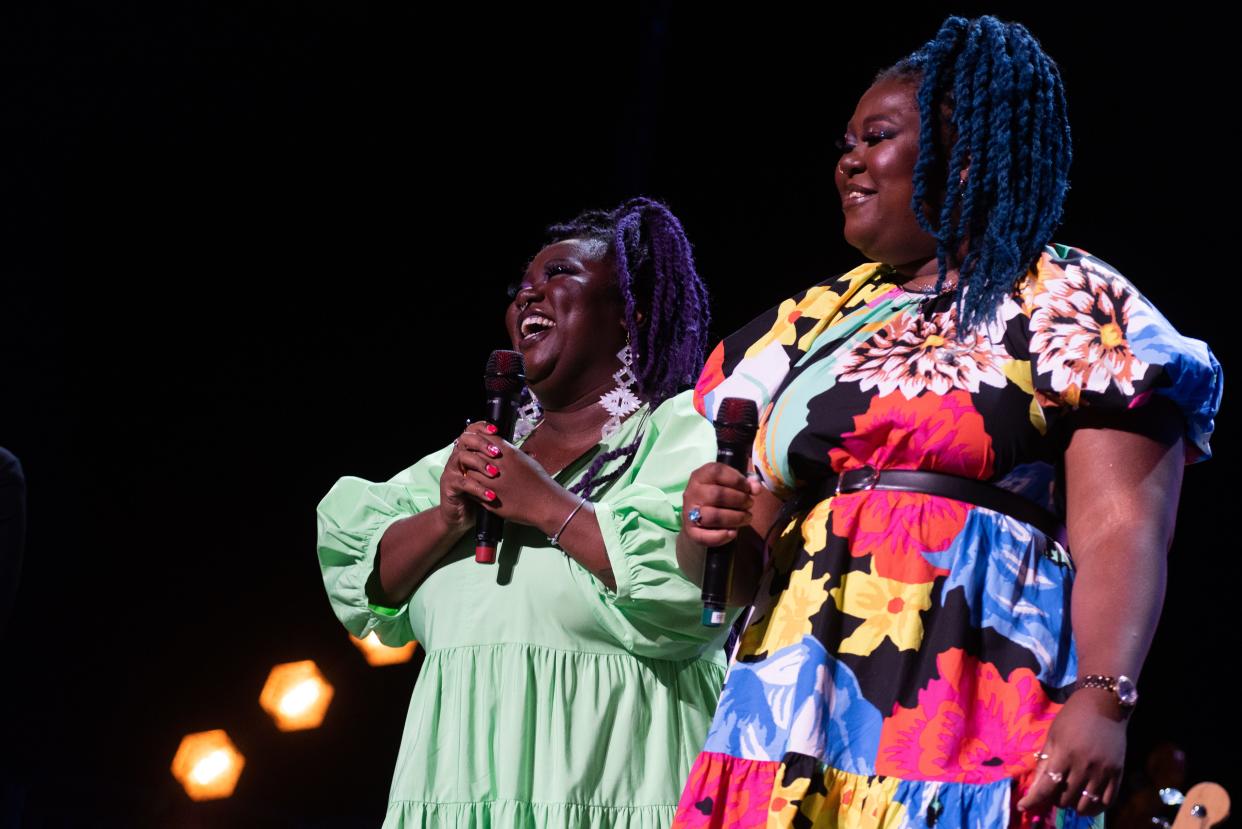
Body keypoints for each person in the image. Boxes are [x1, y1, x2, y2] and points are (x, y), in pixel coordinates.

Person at [671, 16, 1222, 829]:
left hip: (973, 705)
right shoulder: (813, 320)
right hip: (788, 711)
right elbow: (748, 555)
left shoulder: (1067, 301)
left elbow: (1121, 524)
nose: (847, 159)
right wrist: (704, 531)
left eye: (878, 137)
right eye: (845, 141)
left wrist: (1104, 697)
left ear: (964, 158)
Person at [317, 197, 731, 827]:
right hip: (460, 790)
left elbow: (690, 600)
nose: (528, 297)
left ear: (631, 314)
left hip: (618, 782)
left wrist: (545, 505)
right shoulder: (472, 458)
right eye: (522, 287)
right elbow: (366, 580)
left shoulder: (680, 434)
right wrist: (447, 518)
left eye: (559, 275)